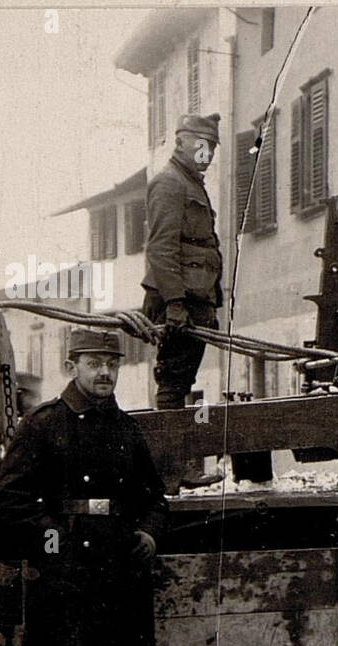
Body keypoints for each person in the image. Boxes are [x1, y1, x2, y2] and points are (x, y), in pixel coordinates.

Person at [0, 329, 168, 646]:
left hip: (114, 574)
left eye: (112, 363)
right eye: (94, 363)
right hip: (62, 581)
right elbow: (11, 504)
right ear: (72, 366)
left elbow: (155, 499)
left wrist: (149, 535)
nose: (105, 373)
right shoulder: (43, 425)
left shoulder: (125, 430)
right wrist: (53, 543)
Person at [141, 111, 225, 490]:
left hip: (195, 300)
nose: (207, 154)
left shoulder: (190, 183)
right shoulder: (169, 184)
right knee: (173, 387)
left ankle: (175, 472)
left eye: (212, 148)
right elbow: (161, 249)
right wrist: (174, 303)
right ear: (181, 143)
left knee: (182, 383)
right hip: (181, 302)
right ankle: (172, 474)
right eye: (202, 146)